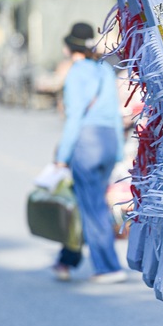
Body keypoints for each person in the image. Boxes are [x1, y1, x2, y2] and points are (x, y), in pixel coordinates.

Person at [52, 22, 128, 284]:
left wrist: (62, 156)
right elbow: (117, 115)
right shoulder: (104, 70)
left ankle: (107, 267)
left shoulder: (75, 74)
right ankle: (82, 260)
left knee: (90, 207)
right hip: (108, 141)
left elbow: (74, 117)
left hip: (87, 142)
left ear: (69, 48)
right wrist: (118, 151)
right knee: (97, 204)